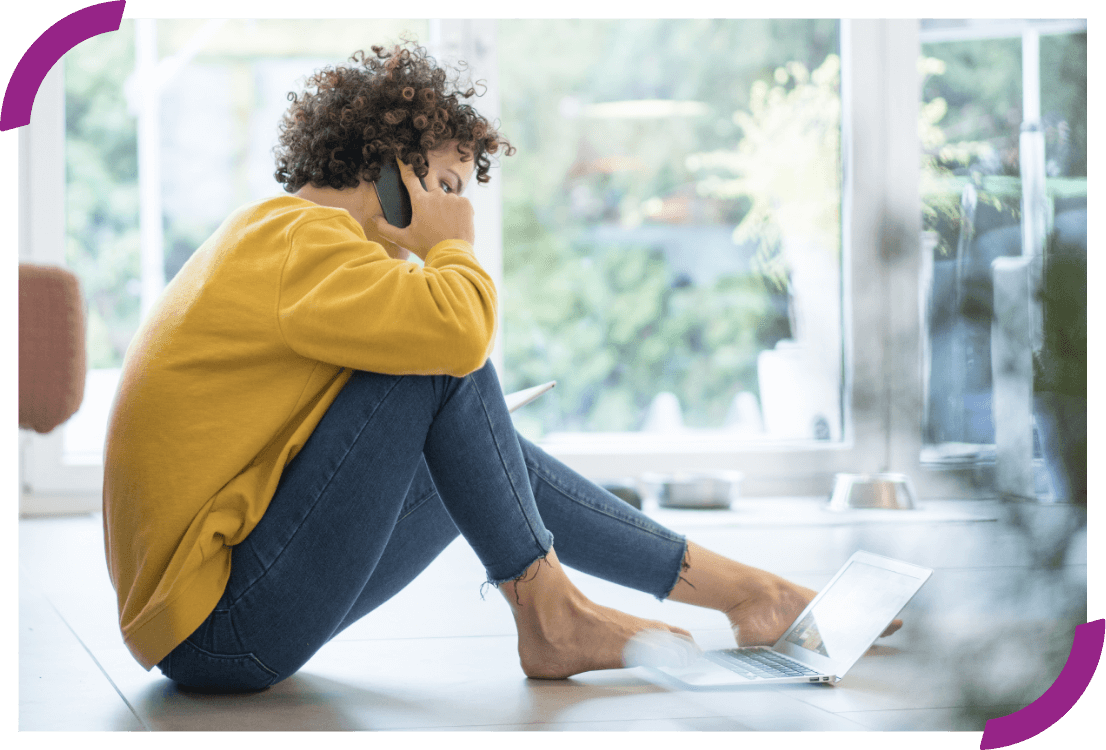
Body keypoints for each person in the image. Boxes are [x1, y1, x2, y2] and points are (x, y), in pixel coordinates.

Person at [103, 41, 899, 693]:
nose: (455, 205)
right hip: (223, 631)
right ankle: (554, 618)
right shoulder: (302, 243)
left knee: (471, 433)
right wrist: (452, 246)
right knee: (442, 354)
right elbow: (458, 340)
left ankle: (746, 595)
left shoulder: (291, 245)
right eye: (445, 185)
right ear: (393, 175)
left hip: (224, 622)